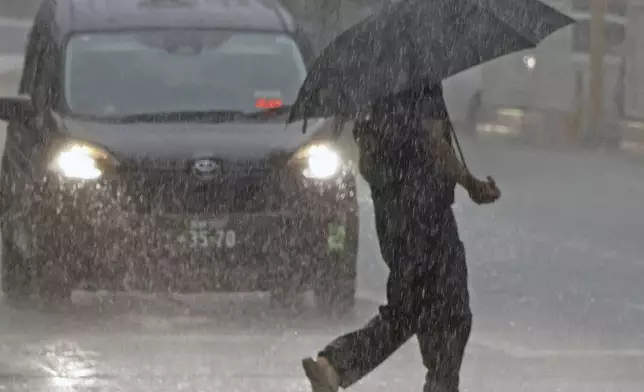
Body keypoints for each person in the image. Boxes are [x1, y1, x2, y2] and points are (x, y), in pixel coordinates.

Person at [302, 82, 501, 392]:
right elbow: (435, 142)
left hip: (393, 220)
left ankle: (335, 367)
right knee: (450, 310)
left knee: (412, 307)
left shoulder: (372, 87)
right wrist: (470, 183)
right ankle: (437, 383)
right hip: (427, 217)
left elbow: (366, 160)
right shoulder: (422, 78)